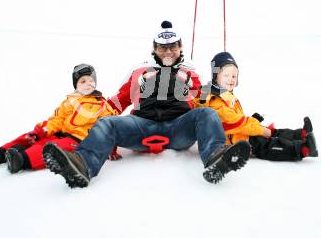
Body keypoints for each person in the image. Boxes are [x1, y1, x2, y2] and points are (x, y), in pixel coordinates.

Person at [42, 21, 252, 187]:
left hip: (178, 126)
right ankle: (82, 165)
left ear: (180, 48)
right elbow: (117, 102)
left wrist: (222, 93)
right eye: (162, 48)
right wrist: (83, 115)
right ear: (154, 49)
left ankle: (216, 158)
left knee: (206, 114)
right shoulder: (139, 71)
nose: (168, 52)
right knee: (108, 123)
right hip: (141, 125)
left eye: (173, 47)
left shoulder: (190, 72)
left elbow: (204, 101)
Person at [0, 64, 120, 173]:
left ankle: (21, 159)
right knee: (31, 137)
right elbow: (57, 119)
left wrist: (110, 149)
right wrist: (43, 130)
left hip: (78, 141)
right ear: (76, 85)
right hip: (60, 133)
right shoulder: (70, 101)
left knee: (50, 149)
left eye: (91, 80)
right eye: (82, 81)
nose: (88, 84)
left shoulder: (102, 104)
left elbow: (110, 127)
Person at [196, 51, 318, 161]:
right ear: (215, 76)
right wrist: (259, 129)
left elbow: (238, 118)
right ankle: (303, 149)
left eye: (234, 76)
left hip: (240, 133)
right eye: (226, 75)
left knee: (271, 131)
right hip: (234, 142)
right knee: (266, 143)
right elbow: (234, 122)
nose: (231, 79)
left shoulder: (224, 94)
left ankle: (301, 134)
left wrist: (256, 124)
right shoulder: (213, 99)